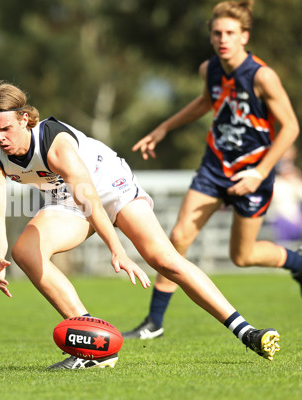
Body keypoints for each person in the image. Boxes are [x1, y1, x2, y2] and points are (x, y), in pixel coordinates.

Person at [0, 81, 280, 370]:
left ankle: (247, 332)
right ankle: (94, 348)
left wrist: (117, 249)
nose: (1, 137)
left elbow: (94, 202)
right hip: (65, 200)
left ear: (24, 120)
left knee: (164, 260)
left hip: (110, 186)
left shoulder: (55, 145)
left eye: (6, 128)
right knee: (25, 252)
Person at [125, 0, 301, 341]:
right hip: (214, 166)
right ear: (211, 37)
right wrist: (163, 128)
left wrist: (258, 173)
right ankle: (154, 323)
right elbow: (206, 102)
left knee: (243, 255)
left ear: (244, 36)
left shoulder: (262, 76)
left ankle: (298, 263)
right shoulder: (211, 70)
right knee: (177, 238)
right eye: (217, 33)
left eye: (231, 33)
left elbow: (291, 127)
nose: (223, 39)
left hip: (253, 172)